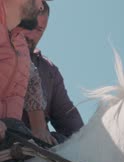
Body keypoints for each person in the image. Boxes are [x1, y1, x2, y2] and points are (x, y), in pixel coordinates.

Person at [21, 1, 84, 142]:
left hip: (35, 154)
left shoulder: (49, 71)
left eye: (38, 30)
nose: (30, 35)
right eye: (27, 25)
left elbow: (72, 126)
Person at [0, 0, 54, 144]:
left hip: (11, 135)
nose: (40, 6)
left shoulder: (20, 45)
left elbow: (32, 81)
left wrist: (39, 129)